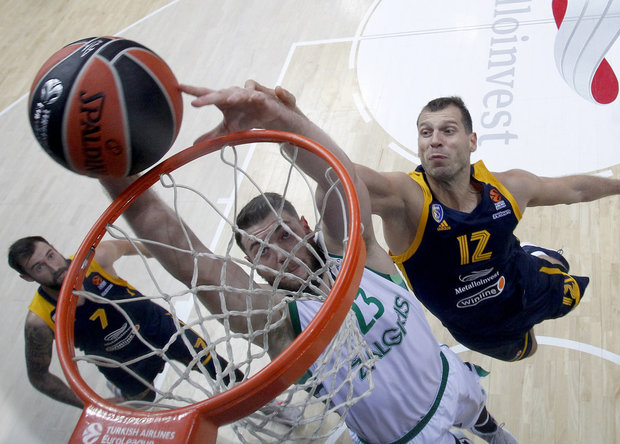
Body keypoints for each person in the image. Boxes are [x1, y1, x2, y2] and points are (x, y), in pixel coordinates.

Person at [98, 91, 519, 443]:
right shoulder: (275, 319)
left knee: (476, 406)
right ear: (251, 265)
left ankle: (491, 429)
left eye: (283, 235)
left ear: (304, 226)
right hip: (404, 438)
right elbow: (192, 259)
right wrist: (112, 170)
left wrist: (281, 119)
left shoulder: (355, 253)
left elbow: (340, 180)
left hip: (446, 377)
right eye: (261, 251)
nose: (278, 254)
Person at [181, 80, 620, 362]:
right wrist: (292, 125)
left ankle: (535, 261)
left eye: (448, 131)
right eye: (425, 132)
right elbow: (338, 175)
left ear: (472, 142)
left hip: (524, 281)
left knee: (566, 286)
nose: (435, 140)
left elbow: (573, 189)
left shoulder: (507, 188)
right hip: (473, 327)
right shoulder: (406, 199)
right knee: (526, 352)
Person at [8, 236, 243, 407]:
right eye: (39, 267)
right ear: (27, 277)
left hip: (161, 329)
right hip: (122, 365)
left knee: (219, 368)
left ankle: (264, 404)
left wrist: (177, 258)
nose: (54, 267)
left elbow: (135, 245)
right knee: (144, 407)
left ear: (55, 248)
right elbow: (38, 377)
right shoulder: (39, 320)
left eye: (51, 255)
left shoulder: (95, 259)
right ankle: (122, 391)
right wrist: (89, 403)